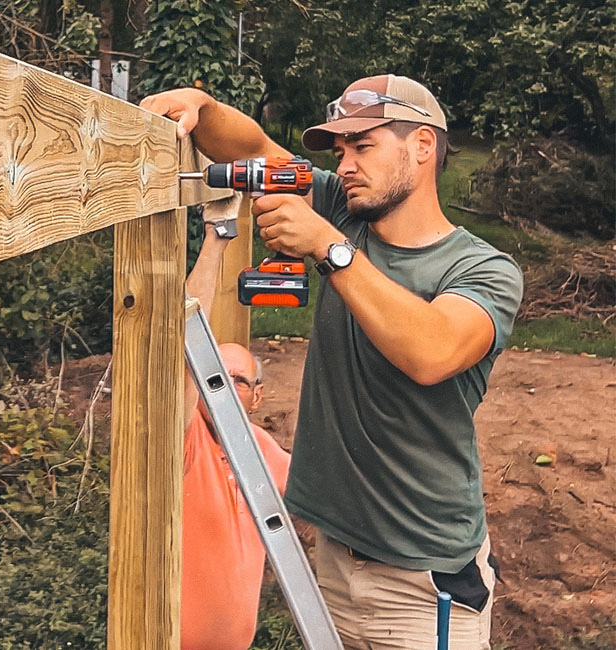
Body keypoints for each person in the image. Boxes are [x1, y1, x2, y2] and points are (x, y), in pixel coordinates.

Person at [144, 74, 523, 650]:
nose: (345, 165)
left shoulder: (481, 269)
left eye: (363, 146)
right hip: (334, 557)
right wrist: (205, 106)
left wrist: (328, 247)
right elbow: (250, 152)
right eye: (340, 151)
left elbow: (431, 351)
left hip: (422, 581)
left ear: (423, 146)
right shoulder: (343, 209)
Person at [181, 195, 292, 650]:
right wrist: (217, 238)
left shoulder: (265, 451)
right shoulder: (186, 441)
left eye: (238, 381)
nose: (223, 390)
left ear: (257, 396)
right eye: (214, 379)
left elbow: (325, 492)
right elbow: (183, 330)